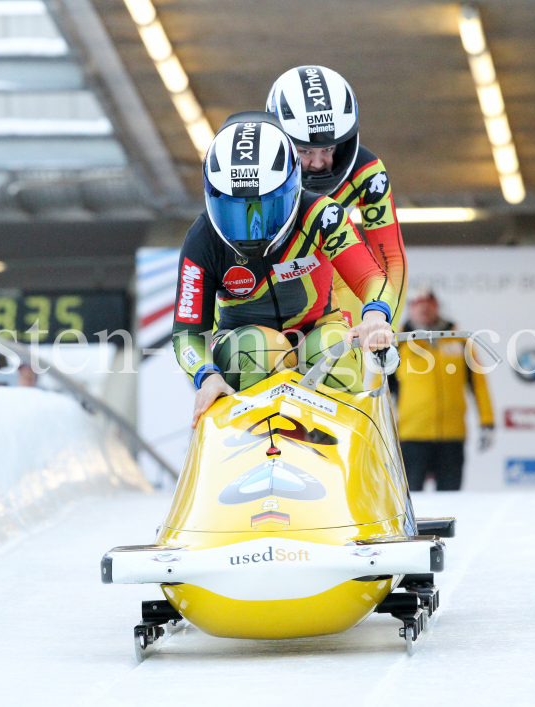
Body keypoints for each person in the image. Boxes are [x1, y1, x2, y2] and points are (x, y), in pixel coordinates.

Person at [172, 112, 398, 428]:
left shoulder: (322, 215)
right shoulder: (202, 239)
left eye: (267, 207)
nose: (253, 227)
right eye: (236, 211)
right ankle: (256, 439)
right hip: (244, 339)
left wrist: (375, 316)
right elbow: (187, 333)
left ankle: (338, 448)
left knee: (335, 348)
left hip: (319, 328)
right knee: (258, 349)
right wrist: (206, 377)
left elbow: (371, 277)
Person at [266, 66, 406, 330]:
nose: (318, 164)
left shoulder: (368, 173)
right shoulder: (252, 173)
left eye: (328, 149)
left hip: (334, 275)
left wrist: (386, 326)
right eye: (305, 150)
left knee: (344, 357)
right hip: (266, 282)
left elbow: (390, 258)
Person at [392, 288, 494, 491]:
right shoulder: (397, 344)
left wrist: (487, 422)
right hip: (412, 436)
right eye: (417, 303)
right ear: (409, 309)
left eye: (428, 303)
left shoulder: (460, 340)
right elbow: (379, 390)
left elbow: (478, 384)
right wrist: (380, 430)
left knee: (451, 498)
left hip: (452, 436)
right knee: (411, 499)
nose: (423, 308)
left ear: (437, 306)